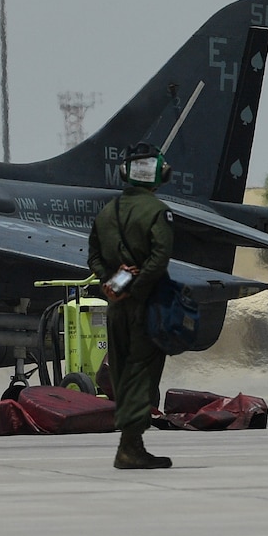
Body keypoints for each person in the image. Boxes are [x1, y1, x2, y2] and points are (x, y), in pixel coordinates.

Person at [88, 143, 176, 470]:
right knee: (142, 372)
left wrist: (111, 285)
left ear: (124, 172)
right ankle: (130, 446)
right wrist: (137, 289)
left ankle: (130, 441)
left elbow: (93, 256)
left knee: (122, 372)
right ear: (160, 173)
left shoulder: (106, 212)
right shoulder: (158, 212)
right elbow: (160, 258)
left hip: (115, 306)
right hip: (146, 306)